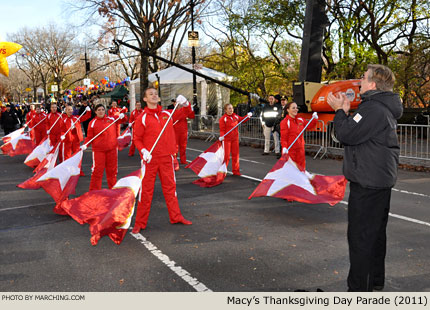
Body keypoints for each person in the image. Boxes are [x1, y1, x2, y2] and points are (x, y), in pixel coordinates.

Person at [327, 64, 403, 292]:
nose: (359, 81)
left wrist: (340, 110)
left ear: (373, 84)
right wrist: (347, 113)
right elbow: (355, 131)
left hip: (369, 183)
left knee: (361, 238)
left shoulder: (373, 109)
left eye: (363, 77)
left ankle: (359, 291)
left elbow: (346, 134)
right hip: (377, 180)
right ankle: (374, 281)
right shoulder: (378, 108)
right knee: (375, 235)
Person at [132, 88, 192, 233]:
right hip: (150, 159)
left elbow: (188, 113)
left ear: (159, 99)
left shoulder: (167, 114)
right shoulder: (142, 118)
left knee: (170, 190)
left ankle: (176, 216)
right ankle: (140, 222)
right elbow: (137, 139)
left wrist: (186, 103)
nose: (154, 95)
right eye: (150, 94)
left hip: (166, 158)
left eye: (155, 94)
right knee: (146, 192)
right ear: (145, 99)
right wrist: (143, 151)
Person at [84, 104, 121, 191]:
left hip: (112, 150)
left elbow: (122, 120)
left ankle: (113, 190)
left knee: (112, 172)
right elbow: (89, 137)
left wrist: (122, 116)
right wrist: (85, 144)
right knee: (97, 172)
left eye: (102, 109)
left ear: (105, 111)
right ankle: (94, 192)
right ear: (95, 112)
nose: (101, 111)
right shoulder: (92, 123)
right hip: (99, 151)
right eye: (99, 110)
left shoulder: (111, 119)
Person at [280, 102, 316, 170]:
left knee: (301, 169)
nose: (296, 109)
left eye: (296, 108)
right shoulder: (285, 122)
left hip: (300, 149)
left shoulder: (300, 120)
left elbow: (309, 125)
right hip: (290, 150)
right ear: (288, 110)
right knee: (291, 170)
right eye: (293, 108)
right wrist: (284, 147)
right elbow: (284, 138)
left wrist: (314, 119)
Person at [219, 103, 252, 176]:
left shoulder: (235, 116)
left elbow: (242, 120)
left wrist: (247, 116)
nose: (231, 110)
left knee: (235, 155)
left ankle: (236, 171)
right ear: (225, 110)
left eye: (232, 108)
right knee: (226, 156)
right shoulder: (223, 119)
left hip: (235, 139)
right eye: (229, 108)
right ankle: (222, 172)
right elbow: (222, 130)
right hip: (227, 139)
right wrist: (222, 136)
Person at [171, 98, 195, 165]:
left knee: (183, 146)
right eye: (175, 103)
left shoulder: (184, 110)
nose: (176, 104)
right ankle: (174, 160)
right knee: (175, 147)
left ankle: (183, 160)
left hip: (183, 131)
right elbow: (175, 117)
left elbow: (191, 116)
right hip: (175, 131)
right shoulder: (172, 111)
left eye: (178, 103)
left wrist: (191, 110)